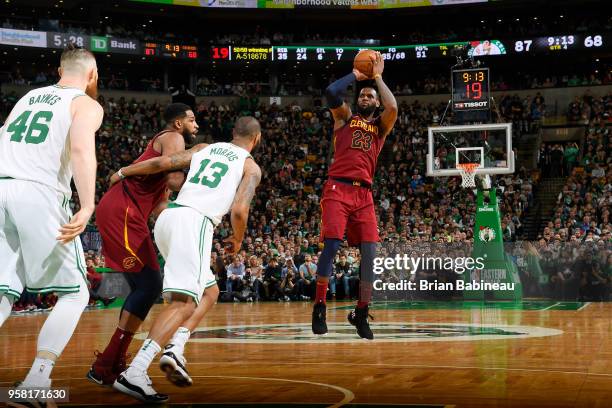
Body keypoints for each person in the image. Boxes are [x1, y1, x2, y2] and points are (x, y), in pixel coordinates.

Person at [108, 116, 262, 402]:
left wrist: (123, 171)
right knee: (183, 303)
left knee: (210, 291)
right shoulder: (250, 166)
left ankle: (175, 347)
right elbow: (240, 210)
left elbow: (162, 164)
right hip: (195, 222)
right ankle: (136, 371)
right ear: (257, 139)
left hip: (168, 218)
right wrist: (238, 239)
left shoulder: (204, 147)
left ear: (233, 133)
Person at [0, 44, 103, 390]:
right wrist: (87, 204)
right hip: (38, 191)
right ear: (92, 76)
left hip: (1, 186)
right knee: (75, 293)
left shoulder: (27, 98)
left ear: (60, 72)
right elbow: (80, 149)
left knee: (3, 290)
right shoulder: (85, 104)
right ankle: (37, 380)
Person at [87, 103, 199, 386]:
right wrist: (203, 178)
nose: (195, 125)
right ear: (177, 124)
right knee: (149, 285)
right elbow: (174, 178)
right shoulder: (174, 138)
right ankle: (105, 364)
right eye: (191, 120)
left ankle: (109, 363)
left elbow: (162, 206)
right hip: (122, 209)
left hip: (127, 213)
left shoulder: (164, 160)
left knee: (145, 286)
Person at [312, 51, 397, 339]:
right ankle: (320, 306)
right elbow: (331, 91)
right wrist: (357, 77)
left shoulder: (380, 128)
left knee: (370, 255)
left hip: (365, 195)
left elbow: (393, 106)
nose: (366, 98)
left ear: (376, 102)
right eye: (363, 95)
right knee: (332, 246)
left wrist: (379, 79)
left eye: (371, 97)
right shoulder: (345, 117)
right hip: (338, 187)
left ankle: (361, 312)